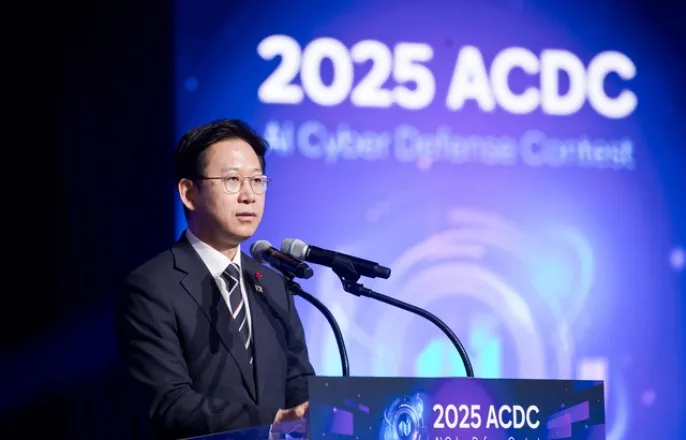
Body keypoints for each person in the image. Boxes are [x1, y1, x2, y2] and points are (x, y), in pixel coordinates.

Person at [115, 119, 315, 440]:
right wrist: (274, 421)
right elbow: (171, 403)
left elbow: (298, 383)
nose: (249, 195)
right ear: (189, 193)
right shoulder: (151, 287)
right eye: (233, 180)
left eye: (257, 180)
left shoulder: (274, 286)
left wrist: (314, 412)